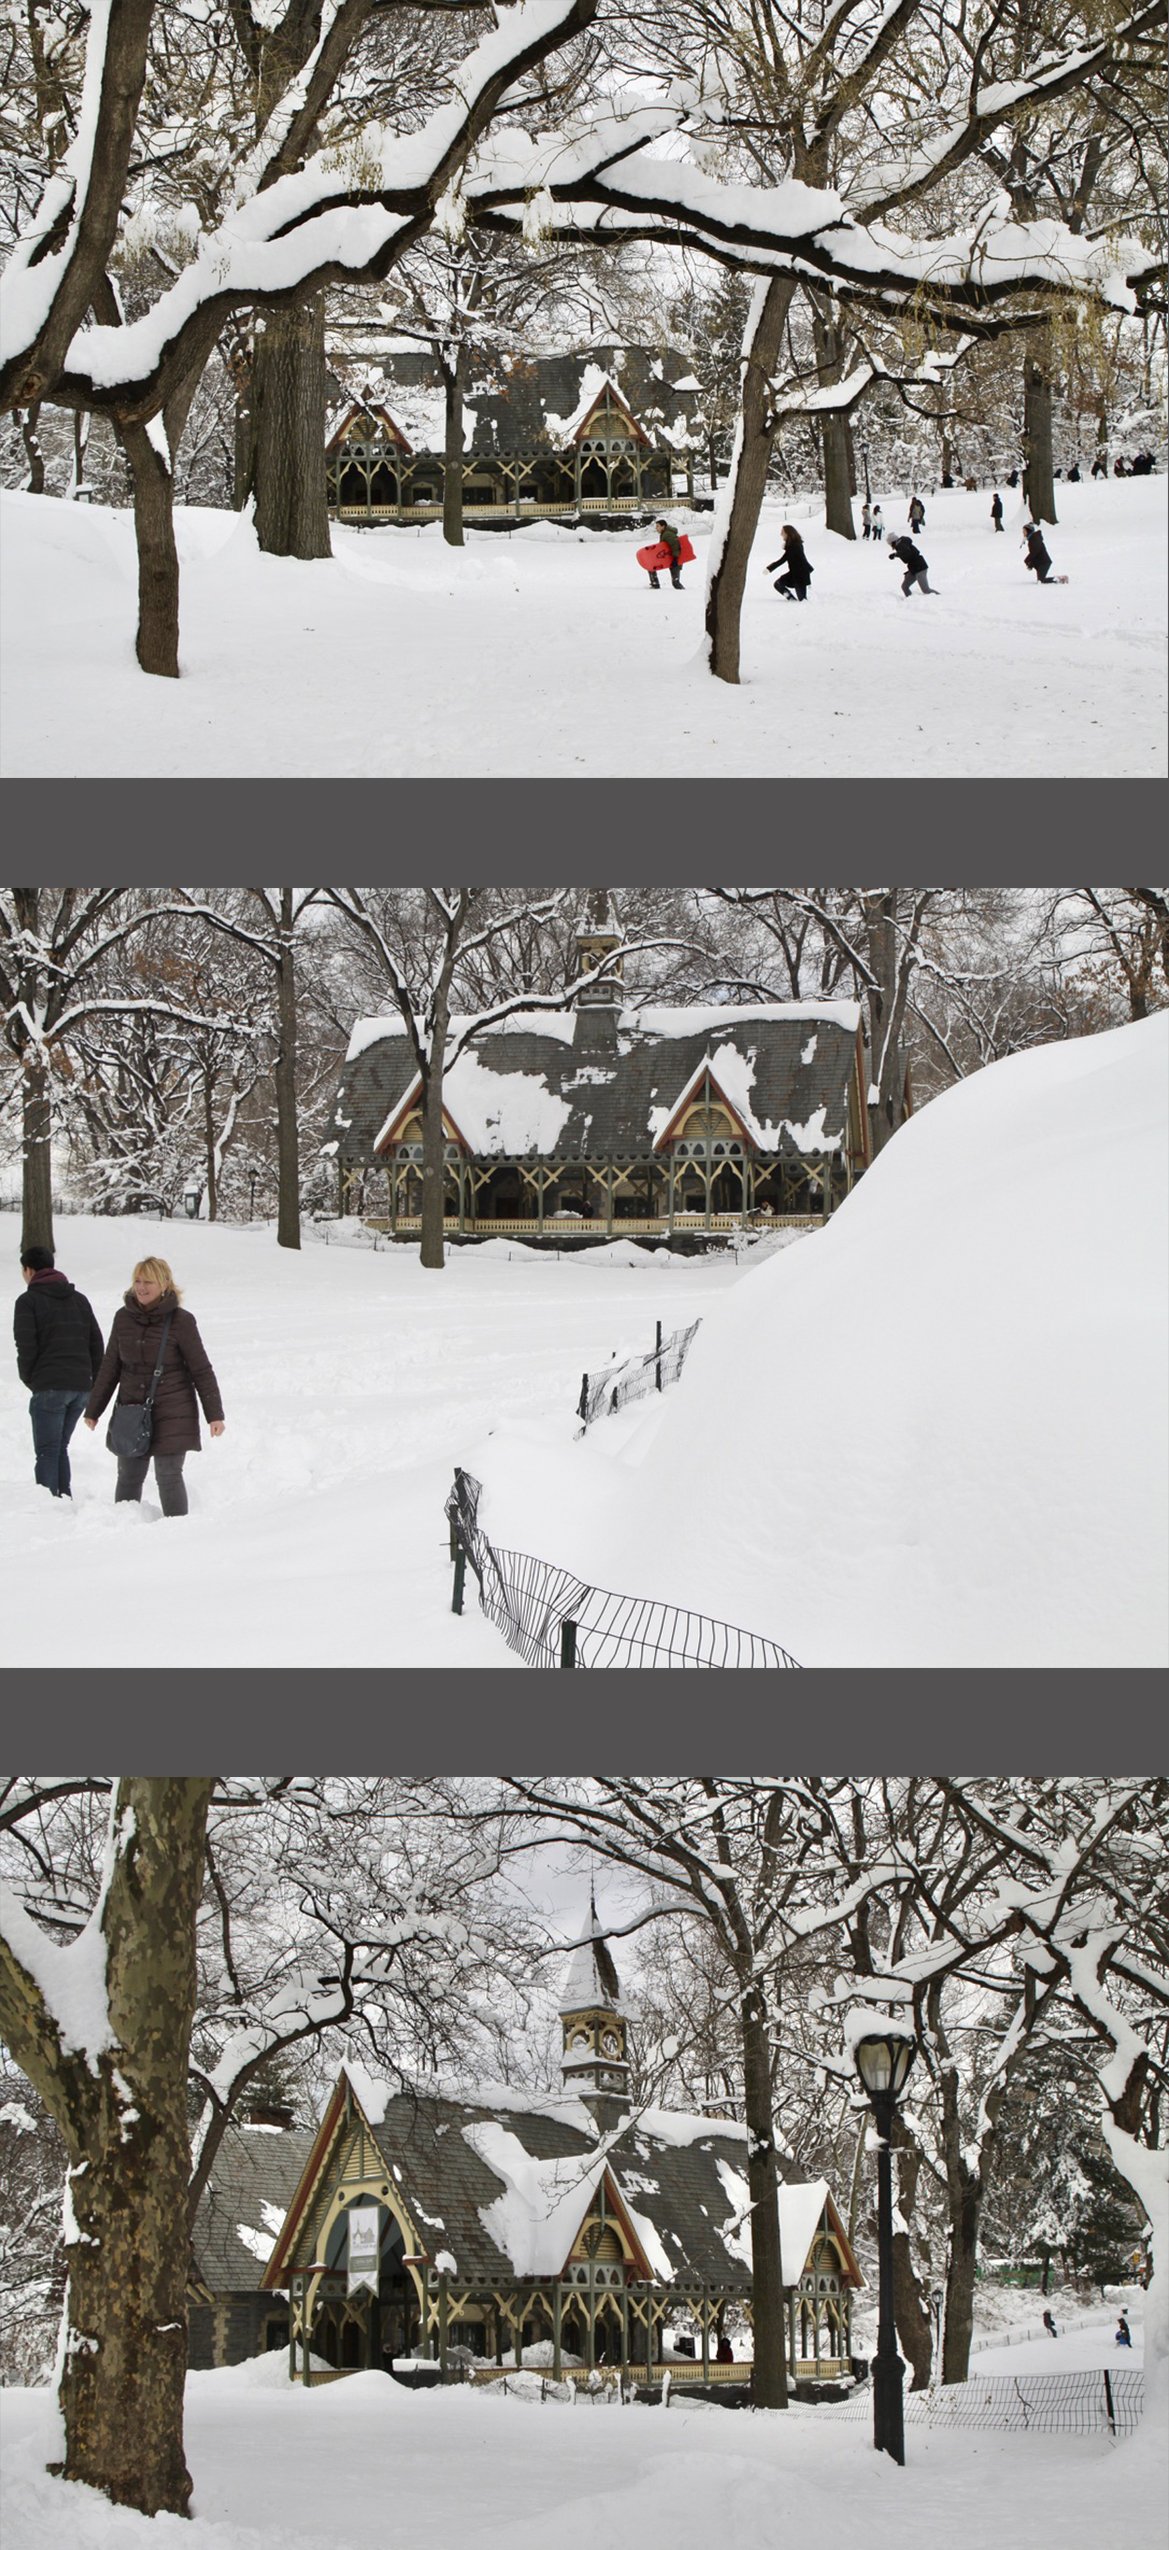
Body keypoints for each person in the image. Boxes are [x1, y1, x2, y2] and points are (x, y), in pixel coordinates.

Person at [84, 1255, 224, 1517]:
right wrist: (94, 1409)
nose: (141, 1287)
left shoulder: (182, 1321)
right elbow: (110, 1367)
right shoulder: (122, 1318)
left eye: (148, 1281)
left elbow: (201, 1370)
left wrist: (214, 1414)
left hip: (174, 1409)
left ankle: (177, 1532)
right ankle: (124, 1528)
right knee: (128, 1475)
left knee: (168, 1475)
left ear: (164, 1284)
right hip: (132, 1409)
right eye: (137, 1280)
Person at [14, 1242, 104, 1499]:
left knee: (47, 1450)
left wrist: (32, 1379)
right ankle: (63, 1500)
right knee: (58, 1448)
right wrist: (92, 1382)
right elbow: (96, 1344)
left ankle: (49, 1506)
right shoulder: (79, 1300)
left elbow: (26, 1345)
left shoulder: (28, 1301)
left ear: (29, 1270)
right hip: (80, 1387)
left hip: (49, 1386)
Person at [765, 524, 813, 600]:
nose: (781, 534)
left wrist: (769, 568)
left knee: (802, 599)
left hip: (800, 575)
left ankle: (793, 600)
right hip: (795, 574)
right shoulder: (793, 545)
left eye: (782, 532)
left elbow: (783, 559)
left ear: (788, 533)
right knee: (778, 584)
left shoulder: (794, 546)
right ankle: (791, 599)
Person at [648, 519, 684, 590]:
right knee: (651, 566)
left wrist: (675, 559)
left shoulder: (667, 534)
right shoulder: (664, 534)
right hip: (669, 557)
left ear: (663, 526)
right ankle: (655, 584)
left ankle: (655, 584)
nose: (656, 528)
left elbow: (675, 545)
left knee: (676, 583)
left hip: (674, 559)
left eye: (658, 526)